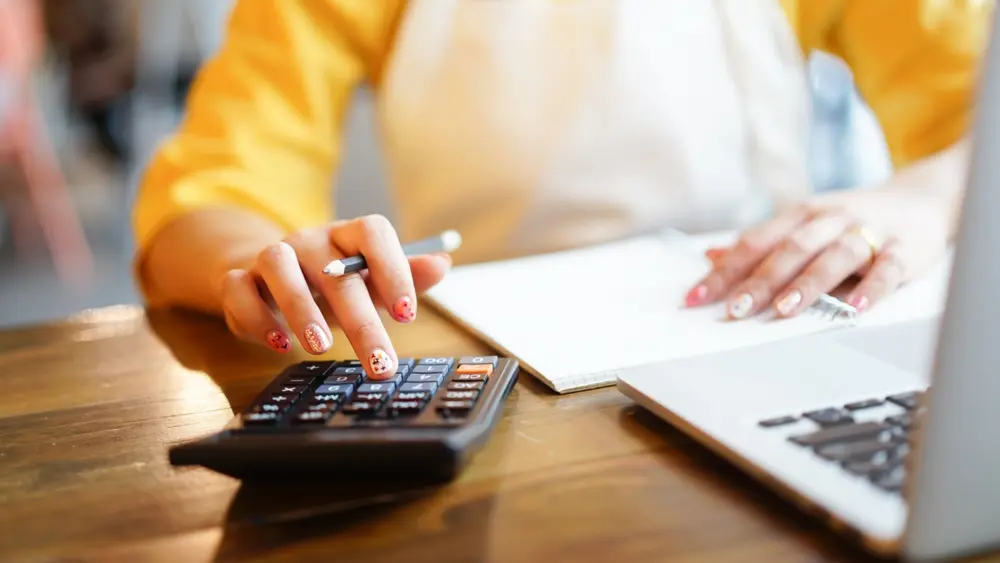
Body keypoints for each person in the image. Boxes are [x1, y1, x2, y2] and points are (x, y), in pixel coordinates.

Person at [132, 0, 990, 380]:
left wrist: (929, 196)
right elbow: (210, 189)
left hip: (762, 345)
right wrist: (261, 261)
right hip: (487, 378)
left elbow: (973, 114)